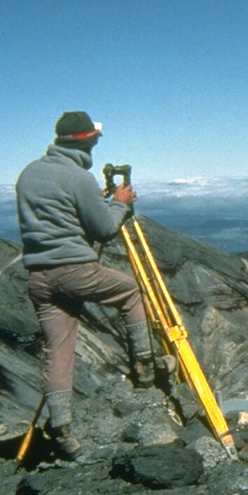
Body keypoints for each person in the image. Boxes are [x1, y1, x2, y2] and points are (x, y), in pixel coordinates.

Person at [15, 111, 156, 459]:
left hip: (39, 276)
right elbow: (104, 229)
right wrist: (119, 204)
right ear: (84, 140)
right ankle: (145, 364)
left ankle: (63, 431)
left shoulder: (30, 173)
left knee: (58, 352)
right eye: (94, 137)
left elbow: (58, 213)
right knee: (129, 291)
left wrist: (99, 197)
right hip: (74, 269)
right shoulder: (78, 177)